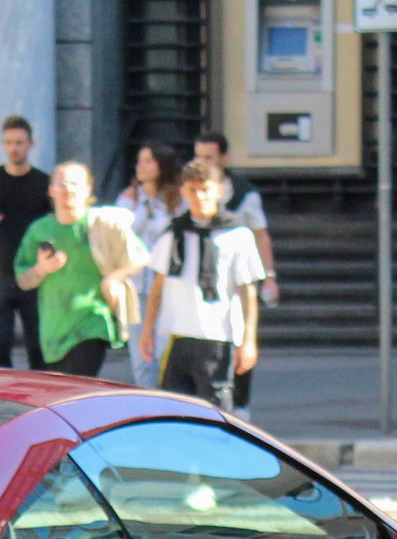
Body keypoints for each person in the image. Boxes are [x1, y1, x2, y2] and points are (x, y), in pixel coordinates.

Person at [140, 159, 264, 410]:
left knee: (216, 409)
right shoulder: (174, 233)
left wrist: (249, 340)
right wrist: (147, 329)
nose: (200, 197)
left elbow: (247, 291)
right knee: (172, 408)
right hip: (178, 334)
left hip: (217, 336)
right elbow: (158, 286)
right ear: (183, 192)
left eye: (206, 189)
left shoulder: (237, 235)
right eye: (192, 190)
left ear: (219, 191)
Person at [16, 162, 137, 377]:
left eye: (74, 183)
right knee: (63, 395)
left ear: (88, 189)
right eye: (61, 183)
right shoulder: (39, 230)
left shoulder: (102, 224)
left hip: (92, 323)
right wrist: (41, 269)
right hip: (53, 331)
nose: (68, 189)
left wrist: (113, 279)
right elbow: (23, 281)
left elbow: (140, 256)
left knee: (80, 384)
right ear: (51, 190)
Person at [192, 131, 278, 414]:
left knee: (238, 339)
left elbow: (261, 234)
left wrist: (269, 276)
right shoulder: (188, 189)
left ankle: (240, 410)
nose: (202, 162)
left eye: (209, 157)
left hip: (235, 281)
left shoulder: (243, 193)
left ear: (223, 159)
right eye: (198, 156)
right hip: (197, 285)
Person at [0, 116, 50, 368]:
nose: (14, 148)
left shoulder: (43, 182)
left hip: (33, 272)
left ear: (31, 144)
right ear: (3, 145)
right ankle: (1, 393)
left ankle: (39, 390)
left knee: (37, 342)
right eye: (8, 142)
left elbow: (52, 226)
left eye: (19, 142)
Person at [114, 143, 181, 386]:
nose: (141, 166)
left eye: (148, 161)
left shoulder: (178, 200)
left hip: (169, 285)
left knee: (164, 351)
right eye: (140, 160)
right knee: (141, 357)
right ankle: (149, 402)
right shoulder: (130, 198)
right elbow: (121, 235)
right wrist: (137, 205)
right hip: (137, 286)